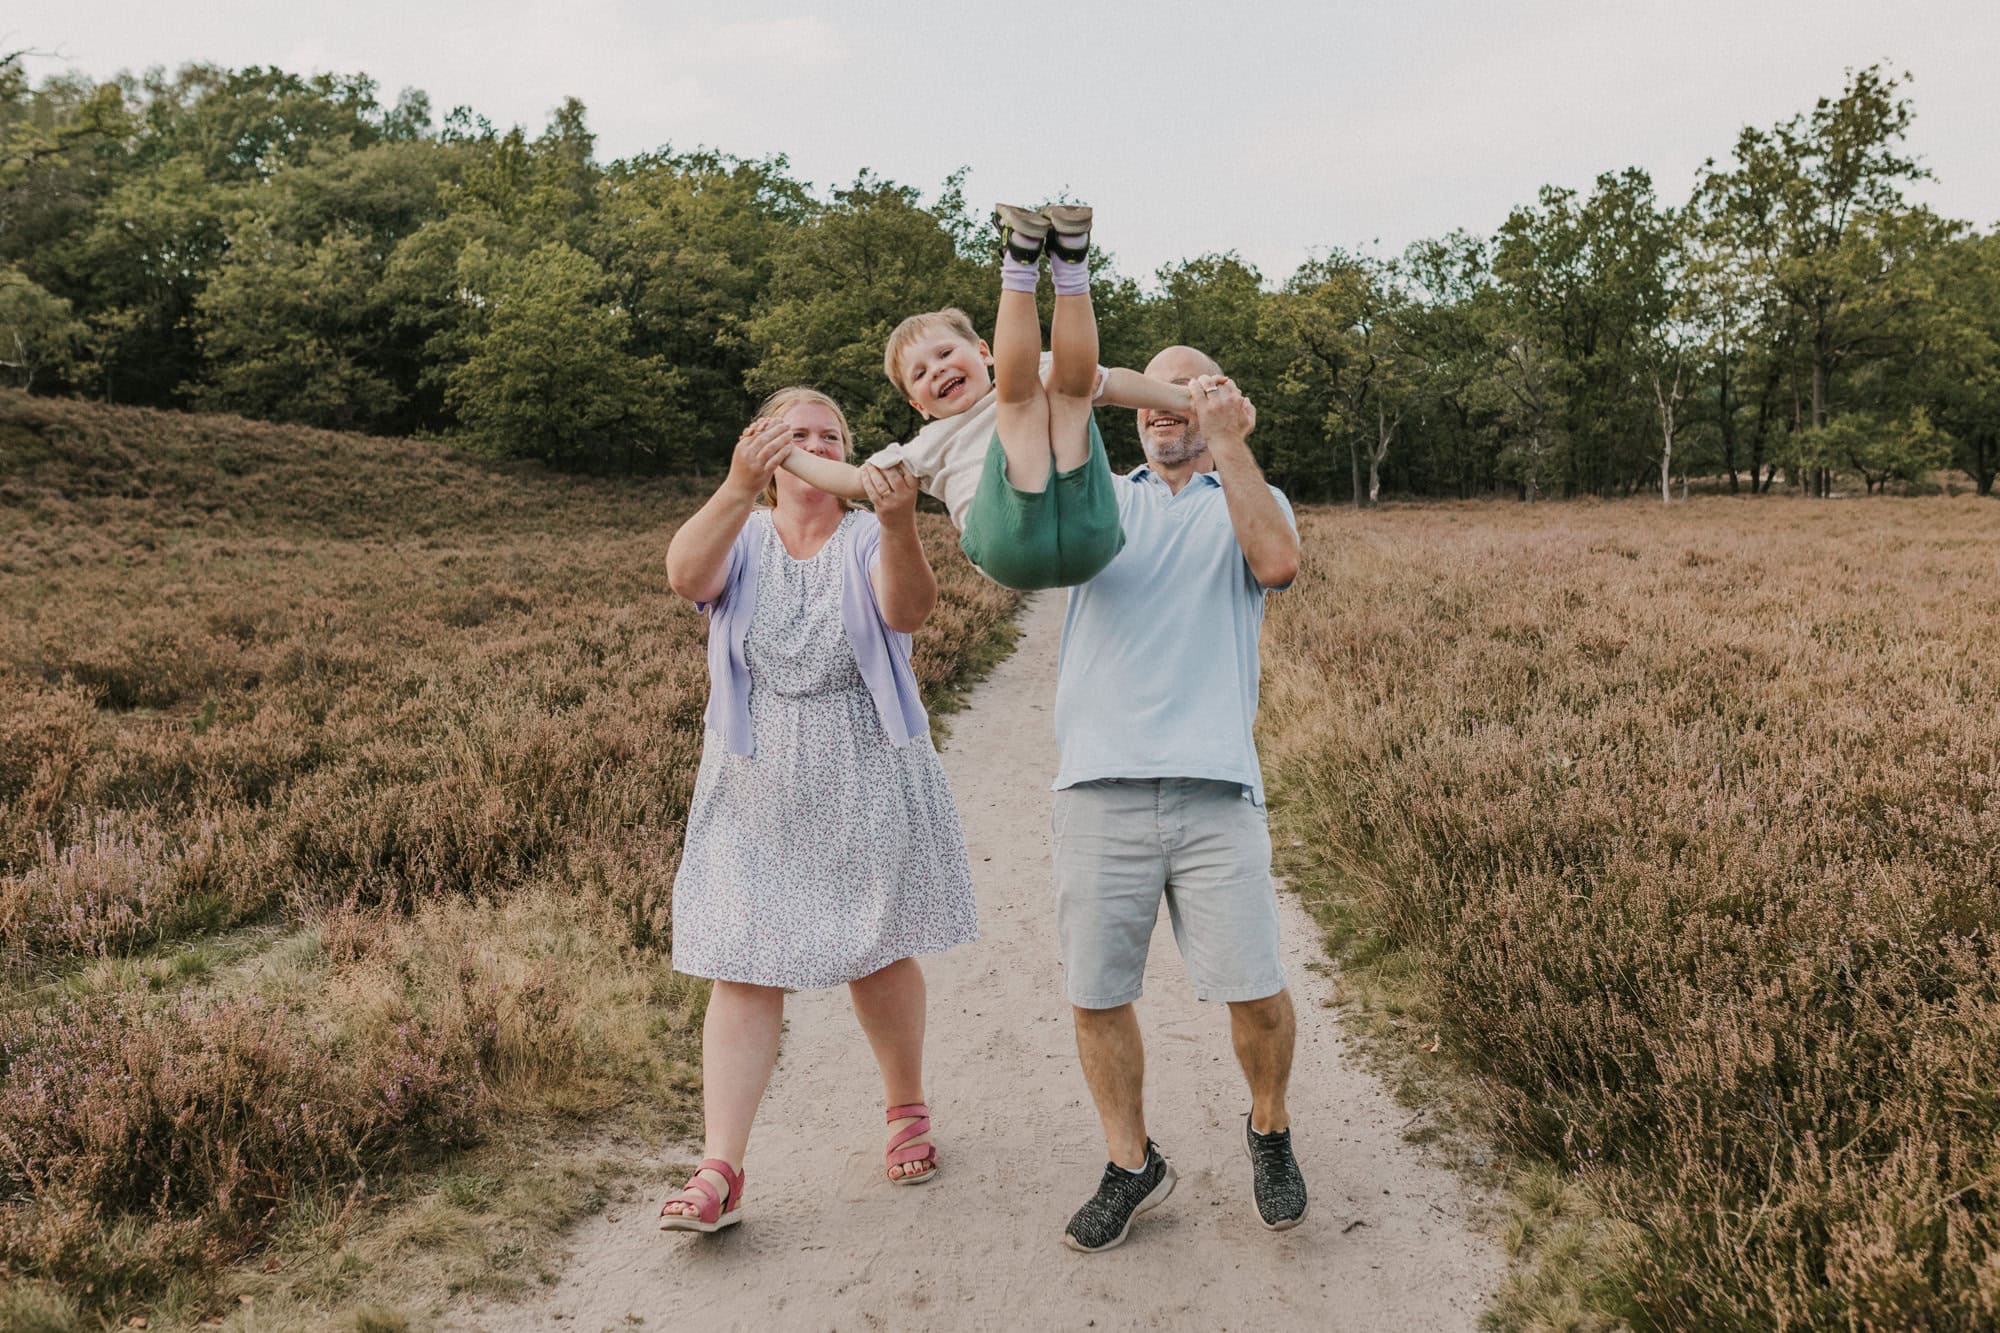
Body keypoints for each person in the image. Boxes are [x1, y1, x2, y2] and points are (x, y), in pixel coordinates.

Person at [657, 387, 978, 1233]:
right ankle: (720, 1167)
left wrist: (900, 523)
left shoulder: (867, 532)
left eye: (830, 435)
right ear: (762, 448)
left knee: (879, 944)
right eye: (796, 433)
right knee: (742, 957)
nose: (815, 446)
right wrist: (735, 486)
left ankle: (905, 1107)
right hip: (752, 772)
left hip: (862, 759)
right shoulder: (744, 531)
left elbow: (908, 611)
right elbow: (686, 576)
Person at [1049, 348, 1307, 1252]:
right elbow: (1055, 411)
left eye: (1189, 392)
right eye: (1157, 396)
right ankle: (1131, 1163)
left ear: (1220, 405)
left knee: (1256, 989)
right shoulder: (1103, 499)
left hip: (1215, 785)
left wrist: (1227, 439)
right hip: (1098, 782)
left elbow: (1276, 563)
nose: (1169, 409)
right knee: (1096, 992)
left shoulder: (1249, 497)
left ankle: (1269, 1126)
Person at [779, 204, 1194, 591]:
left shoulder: (1042, 371)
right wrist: (785, 454)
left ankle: (1070, 258)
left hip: (1090, 536)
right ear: (920, 407)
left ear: (984, 353)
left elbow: (1116, 383)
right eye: (920, 374)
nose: (937, 369)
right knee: (1021, 398)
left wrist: (1188, 399)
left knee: (1072, 387)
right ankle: (1020, 261)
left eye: (945, 354)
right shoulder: (929, 443)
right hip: (1008, 548)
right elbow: (855, 481)